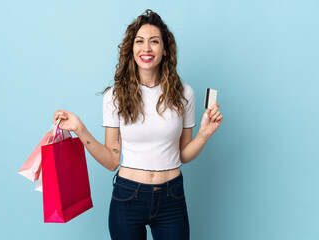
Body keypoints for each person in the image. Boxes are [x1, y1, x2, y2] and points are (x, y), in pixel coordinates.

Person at [53, 9, 222, 240]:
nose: (146, 48)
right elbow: (112, 159)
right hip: (127, 197)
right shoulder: (115, 96)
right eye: (140, 41)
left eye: (154, 41)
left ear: (165, 50)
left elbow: (182, 154)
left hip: (172, 197)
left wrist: (203, 134)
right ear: (131, 49)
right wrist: (80, 129)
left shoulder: (184, 93)